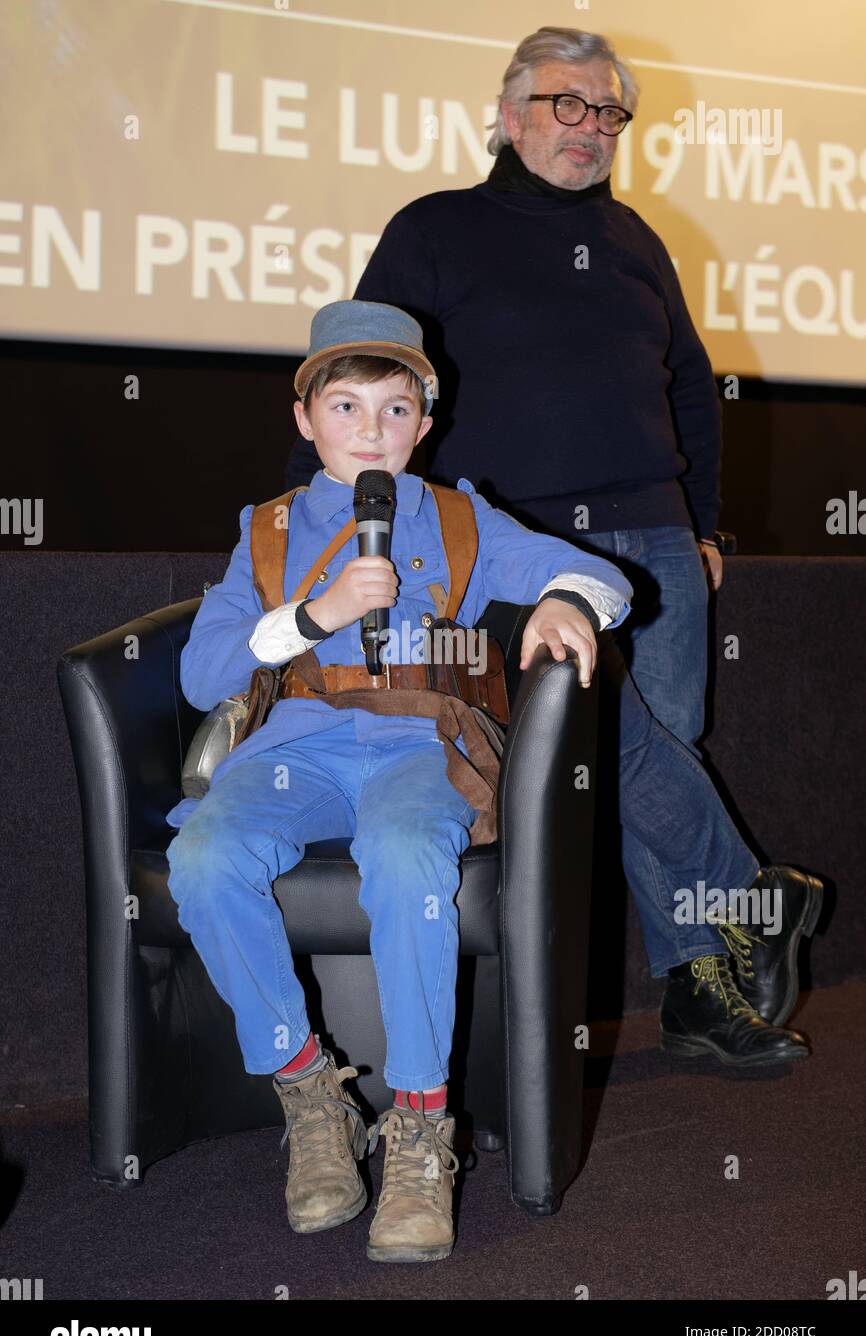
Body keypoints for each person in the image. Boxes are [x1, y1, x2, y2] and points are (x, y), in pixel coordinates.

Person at [165, 300, 819, 1265]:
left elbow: (608, 583)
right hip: (295, 751)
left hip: (421, 751)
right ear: (305, 420)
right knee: (205, 854)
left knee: (405, 850)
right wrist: (313, 616)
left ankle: (423, 1130)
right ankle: (309, 1097)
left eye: (395, 411)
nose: (371, 434)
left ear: (425, 422)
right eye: (345, 409)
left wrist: (561, 600)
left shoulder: (460, 515)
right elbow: (201, 670)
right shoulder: (267, 532)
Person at [283, 27, 783, 1019]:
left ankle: (698, 990)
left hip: (655, 539)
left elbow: (689, 384)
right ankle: (747, 910)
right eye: (565, 104)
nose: (587, 128)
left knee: (661, 748)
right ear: (509, 117)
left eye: (605, 112)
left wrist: (707, 529)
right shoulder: (432, 227)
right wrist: (321, 524)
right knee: (617, 752)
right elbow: (362, 381)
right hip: (509, 549)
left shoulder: (639, 240)